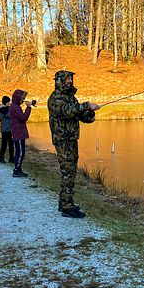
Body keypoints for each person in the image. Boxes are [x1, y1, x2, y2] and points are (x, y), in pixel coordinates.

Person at [47, 70, 100, 218]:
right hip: (63, 141)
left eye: (71, 78)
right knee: (67, 172)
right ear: (60, 80)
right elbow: (67, 112)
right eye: (67, 79)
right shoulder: (55, 98)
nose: (70, 81)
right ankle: (66, 207)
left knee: (71, 172)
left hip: (71, 139)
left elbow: (79, 115)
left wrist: (89, 113)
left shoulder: (71, 98)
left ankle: (65, 201)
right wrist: (86, 105)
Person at [9, 89, 33, 178]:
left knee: (21, 152)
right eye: (22, 98)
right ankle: (16, 170)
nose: (23, 100)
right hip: (18, 132)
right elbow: (24, 118)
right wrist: (29, 107)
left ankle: (18, 169)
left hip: (19, 132)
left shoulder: (15, 106)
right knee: (20, 152)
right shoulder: (15, 107)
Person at [0, 95, 15, 164]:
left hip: (9, 129)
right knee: (4, 144)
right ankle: (1, 158)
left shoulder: (5, 108)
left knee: (11, 144)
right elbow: (9, 115)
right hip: (5, 129)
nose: (9, 103)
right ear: (6, 102)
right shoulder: (3, 110)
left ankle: (11, 158)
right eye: (9, 102)